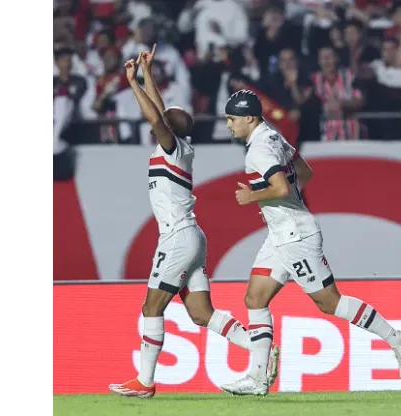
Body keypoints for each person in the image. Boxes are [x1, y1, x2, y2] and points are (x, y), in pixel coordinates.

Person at [219, 89, 401, 396]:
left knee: (329, 302)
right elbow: (305, 174)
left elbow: (282, 186)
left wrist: (254, 197)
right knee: (255, 298)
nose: (228, 125)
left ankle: (397, 338)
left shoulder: (259, 149)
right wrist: (283, 208)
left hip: (296, 237)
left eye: (232, 119)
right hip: (282, 233)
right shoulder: (274, 136)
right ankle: (257, 377)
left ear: (249, 118)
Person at [108, 47, 278, 399]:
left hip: (177, 239)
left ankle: (145, 381)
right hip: (192, 238)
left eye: (169, 115)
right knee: (202, 314)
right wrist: (148, 74)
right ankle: (260, 350)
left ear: (170, 126)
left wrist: (133, 84)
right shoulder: (180, 146)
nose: (164, 113)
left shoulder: (170, 144)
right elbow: (162, 114)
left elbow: (156, 118)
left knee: (151, 308)